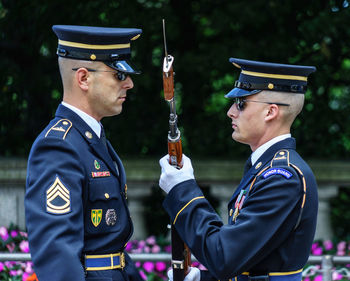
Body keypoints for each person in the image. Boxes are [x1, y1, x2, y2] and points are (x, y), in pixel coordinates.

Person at [159, 58, 319, 281]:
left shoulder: (282, 177)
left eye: (241, 103)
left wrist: (183, 190)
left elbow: (224, 257)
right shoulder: (265, 167)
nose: (231, 112)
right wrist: (202, 278)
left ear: (270, 112)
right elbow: (253, 262)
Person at [25, 25, 143, 281]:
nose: (129, 84)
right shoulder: (59, 146)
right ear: (83, 79)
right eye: (119, 76)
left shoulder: (90, 140)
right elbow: (58, 257)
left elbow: (111, 245)